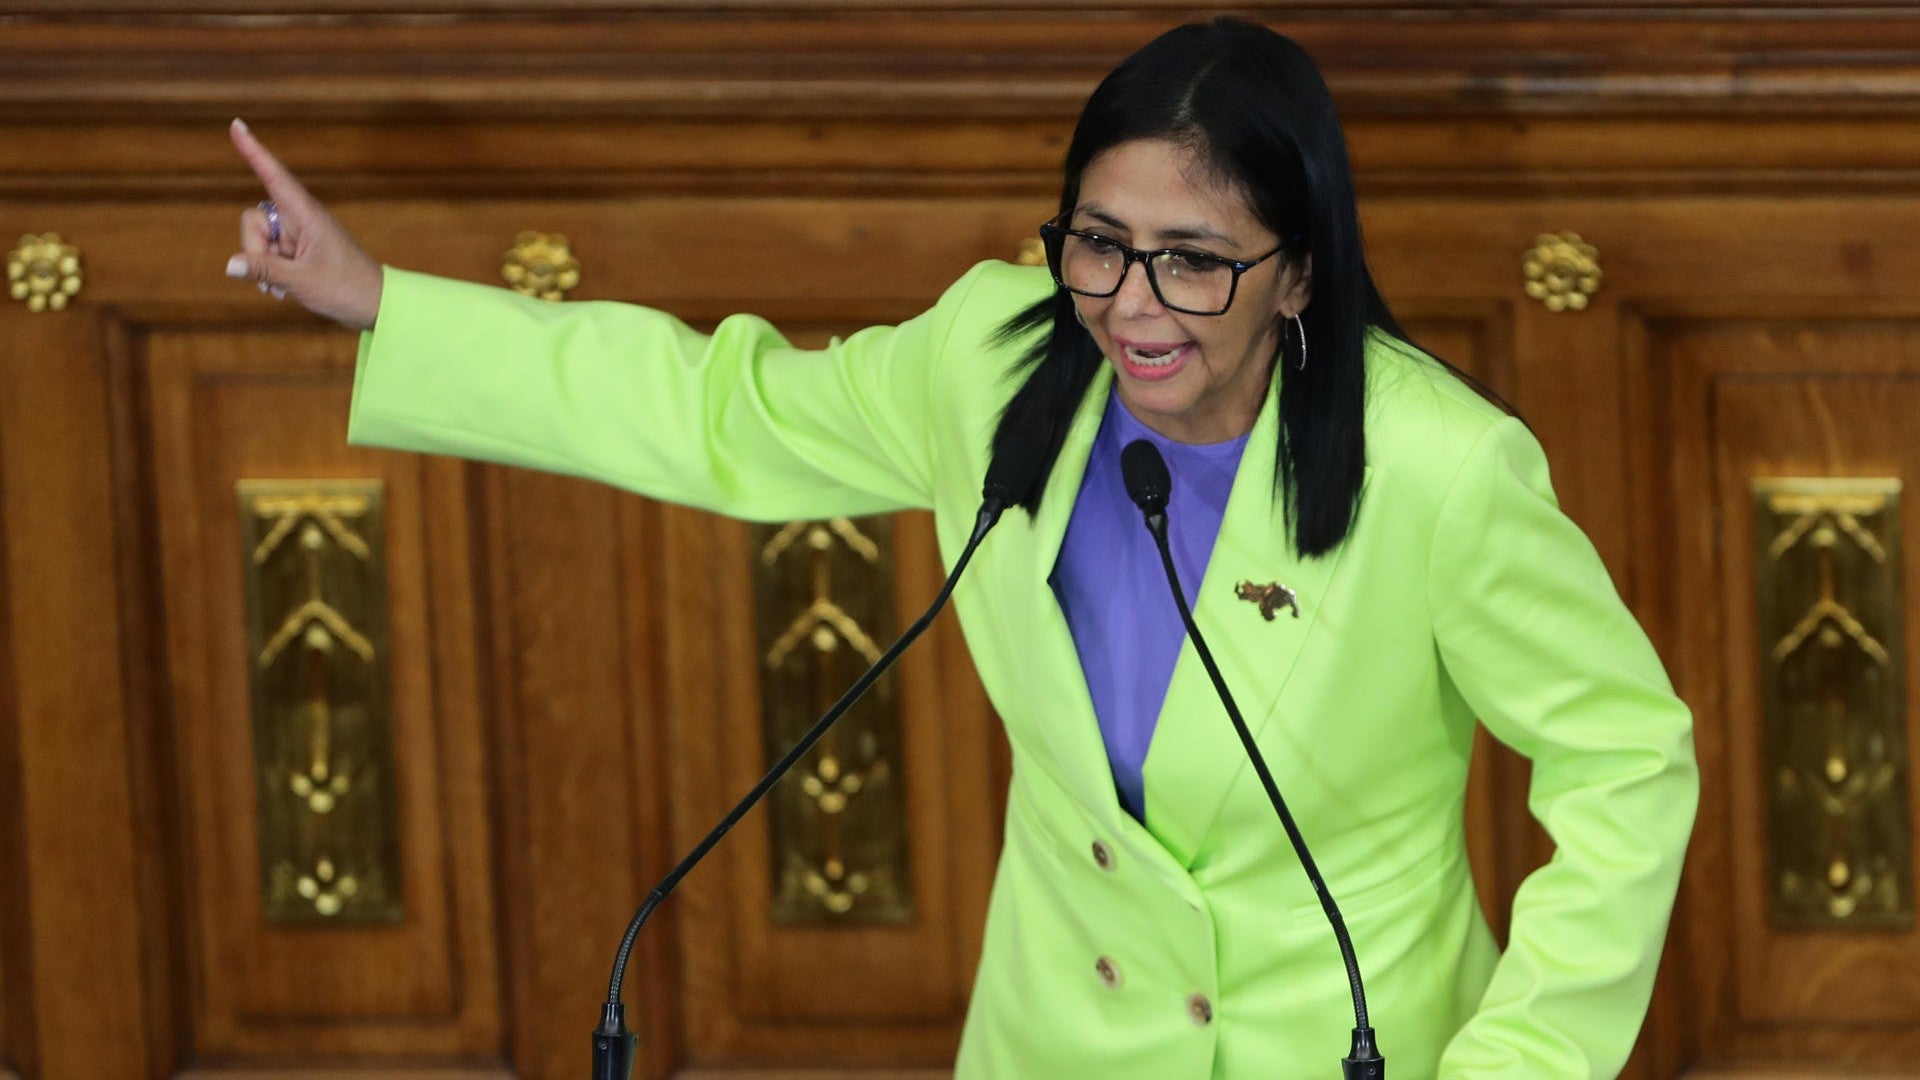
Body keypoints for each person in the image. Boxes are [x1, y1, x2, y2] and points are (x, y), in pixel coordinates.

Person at [224, 17, 1697, 1078]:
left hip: (1355, 1052)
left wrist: (1520, 1065)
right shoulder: (993, 365)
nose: (1131, 304)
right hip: (1052, 1042)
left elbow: (1626, 759)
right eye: (1097, 243)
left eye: (1193, 259)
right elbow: (717, 411)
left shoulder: (1439, 469)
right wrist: (380, 303)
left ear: (1298, 272)